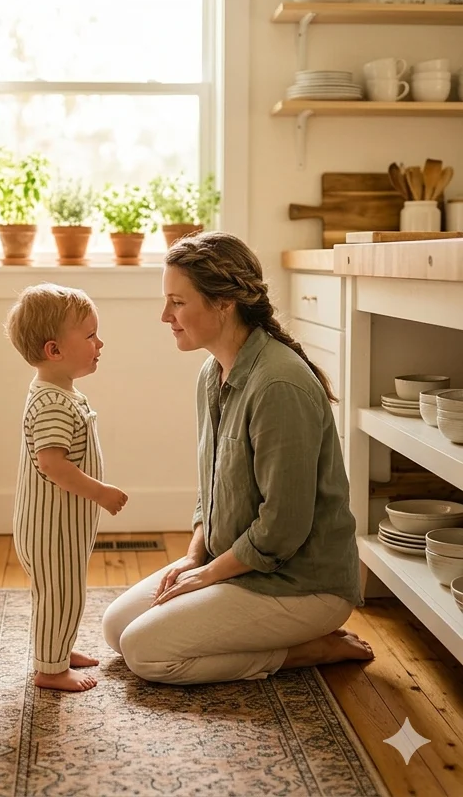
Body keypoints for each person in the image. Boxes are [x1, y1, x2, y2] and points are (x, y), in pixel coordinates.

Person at [102, 231, 375, 686]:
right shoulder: (211, 374)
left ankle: (306, 649)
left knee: (145, 653)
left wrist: (210, 575)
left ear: (224, 303)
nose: (165, 316)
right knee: (116, 628)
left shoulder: (278, 386)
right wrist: (193, 559)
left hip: (301, 585)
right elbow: (211, 487)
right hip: (236, 564)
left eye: (177, 302)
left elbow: (282, 528)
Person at [5, 283, 128, 692]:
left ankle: (57, 650)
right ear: (55, 350)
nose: (100, 343)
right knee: (60, 595)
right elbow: (53, 465)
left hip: (61, 526)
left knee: (63, 593)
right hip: (51, 528)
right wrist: (101, 493)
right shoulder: (53, 403)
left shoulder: (58, 392)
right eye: (90, 335)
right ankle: (51, 670)